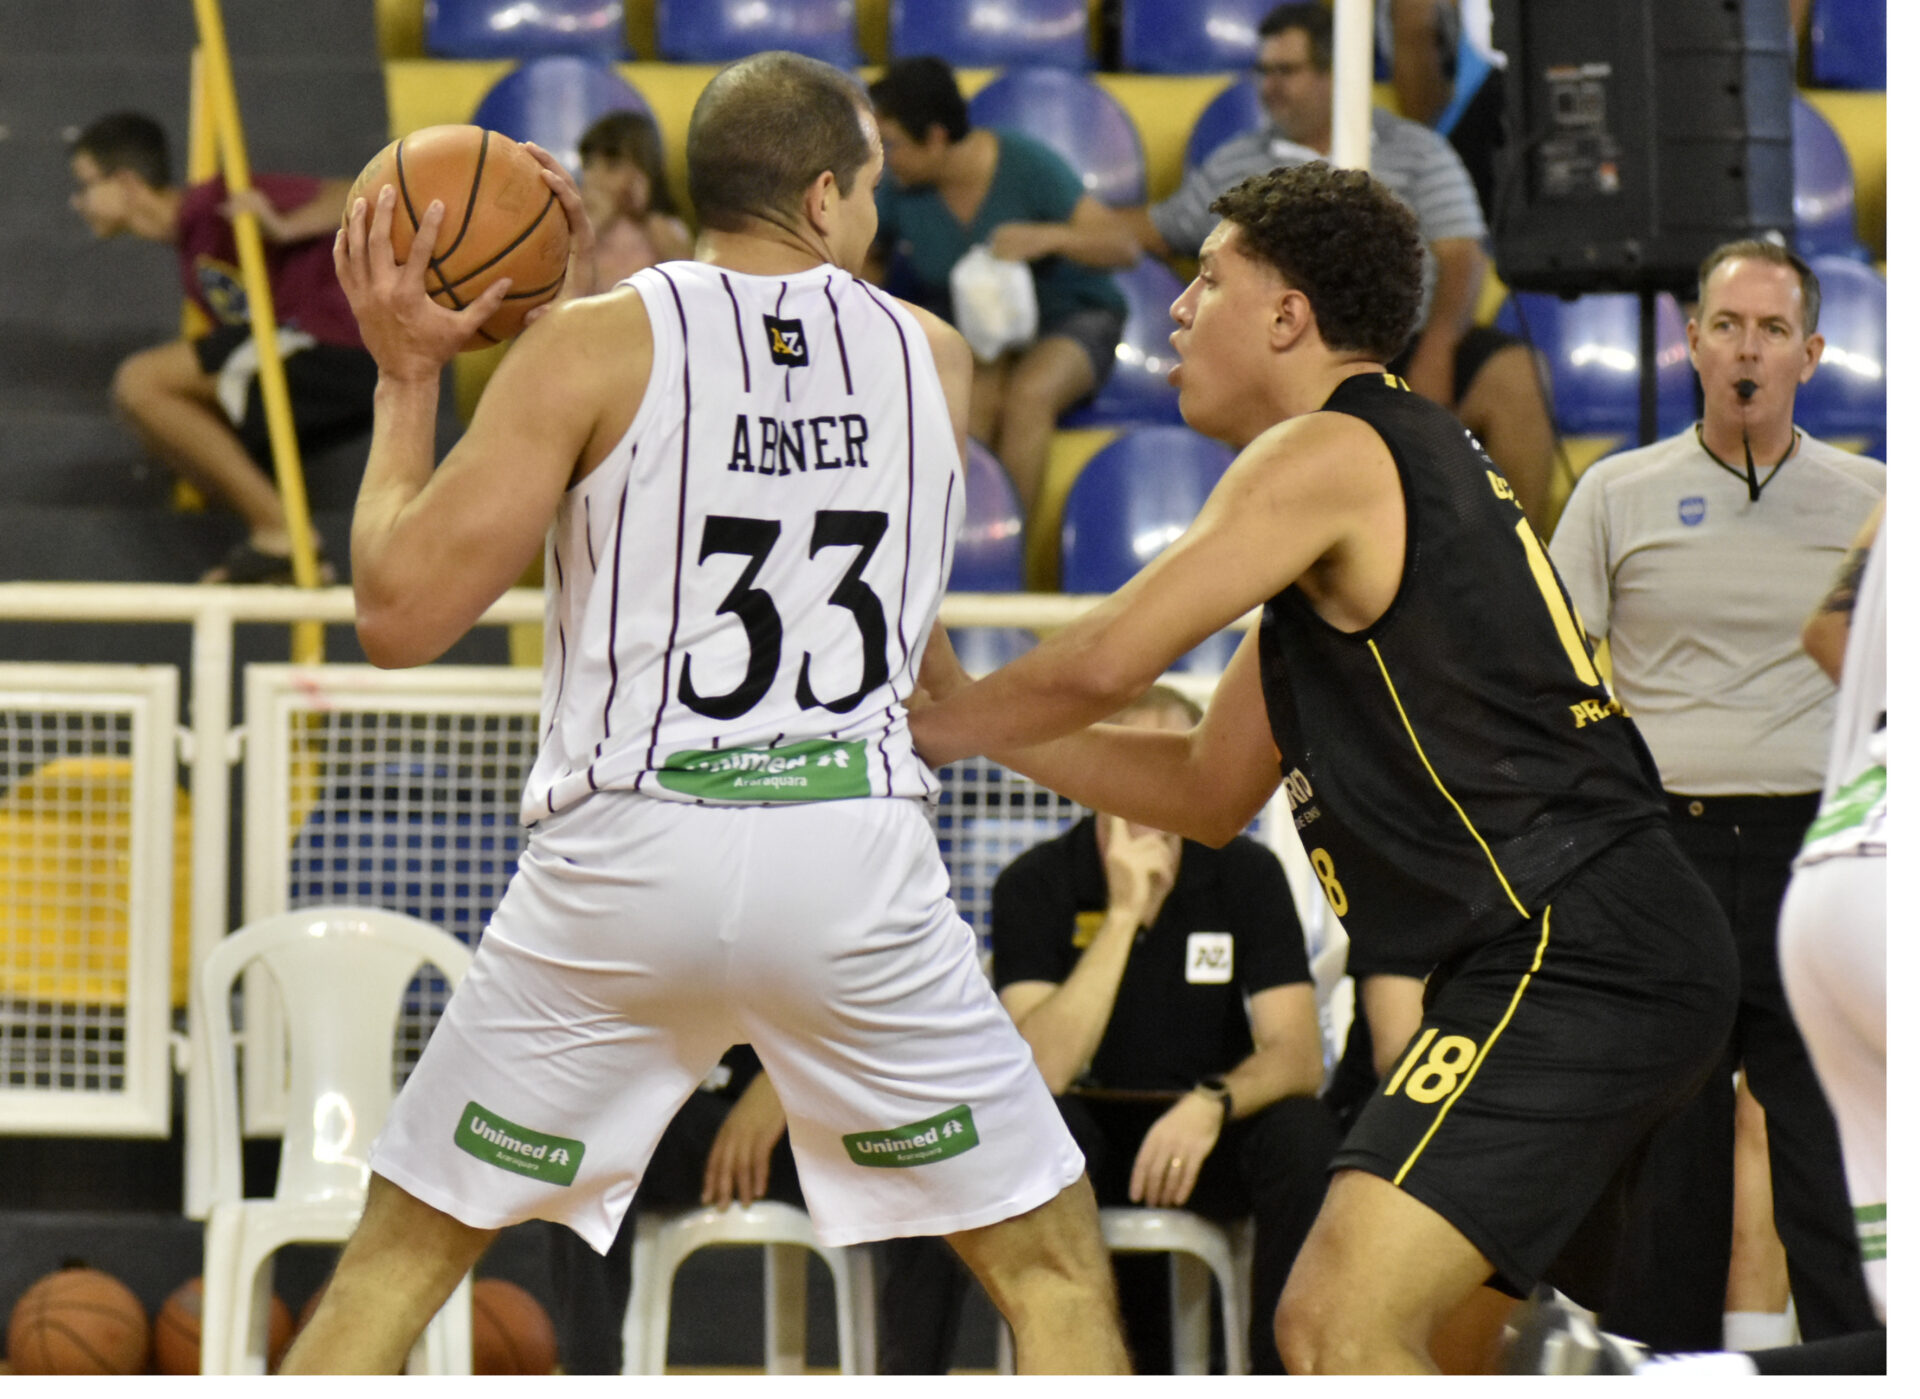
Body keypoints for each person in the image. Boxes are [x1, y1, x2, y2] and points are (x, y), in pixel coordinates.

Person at [279, 51, 1128, 1375]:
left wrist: (404, 379)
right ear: (828, 192)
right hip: (849, 861)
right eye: (872, 189)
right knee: (1058, 1274)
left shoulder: (588, 345)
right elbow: (922, 665)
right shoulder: (938, 360)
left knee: (395, 1263)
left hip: (626, 861)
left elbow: (396, 615)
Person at [905, 160, 1740, 1375]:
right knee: (1434, 1350)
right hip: (1591, 940)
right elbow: (1204, 784)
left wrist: (949, 720)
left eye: (1206, 280)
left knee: (1330, 1322)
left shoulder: (1327, 453)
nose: (1178, 310)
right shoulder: (1367, 479)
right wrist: (985, 723)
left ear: (1289, 315)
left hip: (1572, 940)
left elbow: (1110, 656)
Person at [1549, 239, 1884, 1354]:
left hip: (1814, 849)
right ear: (1689, 341)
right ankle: (1658, 1370)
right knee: (1667, 1169)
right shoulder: (1614, 492)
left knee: (1833, 1174)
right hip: (1667, 849)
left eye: (1773, 330)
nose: (1748, 348)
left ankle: (1864, 1370)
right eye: (1729, 326)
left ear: (1814, 354)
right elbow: (1556, 677)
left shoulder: (1876, 499)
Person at [880, 685, 1340, 1374]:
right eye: (1132, 770)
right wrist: (1124, 916)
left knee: (1303, 1135)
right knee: (1025, 1129)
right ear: (1097, 778)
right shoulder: (1035, 883)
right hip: (1084, 1133)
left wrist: (1211, 1104)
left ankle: (1278, 1376)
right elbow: (1042, 1071)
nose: (1150, 796)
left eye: (1171, 771)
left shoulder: (1246, 873)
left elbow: (1298, 1055)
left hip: (1200, 1128)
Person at [1125, 3, 1556, 534]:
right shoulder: (1238, 160)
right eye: (1264, 71)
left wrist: (1440, 349)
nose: (1269, 86)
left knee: (1517, 376)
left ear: (1334, 74)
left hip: (1410, 336)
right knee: (1257, 372)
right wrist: (1060, 225)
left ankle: (1518, 559)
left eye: (1286, 71)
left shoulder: (1416, 149)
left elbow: (1461, 254)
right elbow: (1162, 227)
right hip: (1292, 346)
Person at [68, 111, 375, 582]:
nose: (78, 202)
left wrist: (285, 227)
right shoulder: (192, 258)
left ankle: (283, 536)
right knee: (156, 415)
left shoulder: (215, 203)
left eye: (85, 184)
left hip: (334, 343)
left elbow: (358, 193)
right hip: (305, 364)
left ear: (127, 182)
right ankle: (284, 553)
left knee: (141, 382)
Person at [865, 56, 1138, 514]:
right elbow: (867, 267)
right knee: (971, 407)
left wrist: (1050, 236)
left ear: (935, 138)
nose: (884, 159)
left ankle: (1014, 556)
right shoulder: (897, 187)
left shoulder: (1028, 164)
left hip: (1072, 315)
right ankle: (963, 544)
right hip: (979, 333)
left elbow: (1124, 247)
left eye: (891, 144)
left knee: (1030, 396)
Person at [545, 1046, 802, 1373]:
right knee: (591, 1138)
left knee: (885, 1146)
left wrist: (786, 1078)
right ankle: (591, 1374)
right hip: (678, 1106)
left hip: (808, 1105)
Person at [576, 109, 693, 293]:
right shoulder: (580, 226)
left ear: (641, 172)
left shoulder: (661, 226)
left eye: (612, 166)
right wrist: (594, 223)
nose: (594, 177)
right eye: (588, 164)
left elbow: (686, 272)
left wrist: (646, 213)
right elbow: (564, 272)